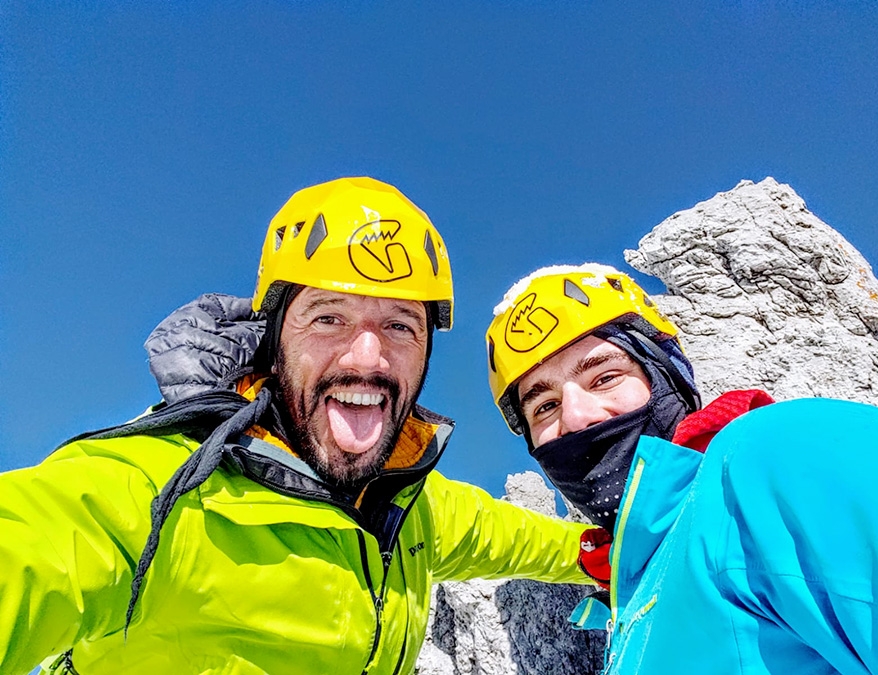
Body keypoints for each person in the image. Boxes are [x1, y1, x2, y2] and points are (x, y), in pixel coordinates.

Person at [0, 178, 593, 675]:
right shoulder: (160, 489)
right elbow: (37, 545)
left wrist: (625, 551)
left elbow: (528, 541)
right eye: (329, 317)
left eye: (400, 326)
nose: (366, 357)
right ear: (272, 338)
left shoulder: (410, 504)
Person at [486, 263, 878, 674]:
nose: (577, 417)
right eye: (545, 406)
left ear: (668, 377)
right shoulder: (639, 588)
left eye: (605, 377)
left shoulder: (775, 454)